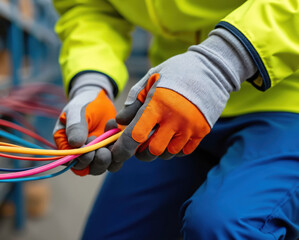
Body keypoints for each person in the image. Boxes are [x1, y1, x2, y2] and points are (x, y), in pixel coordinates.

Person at [52, 0, 299, 239]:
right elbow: (90, 7)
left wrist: (224, 60)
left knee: (224, 226)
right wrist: (91, 81)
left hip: (287, 96)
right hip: (173, 99)